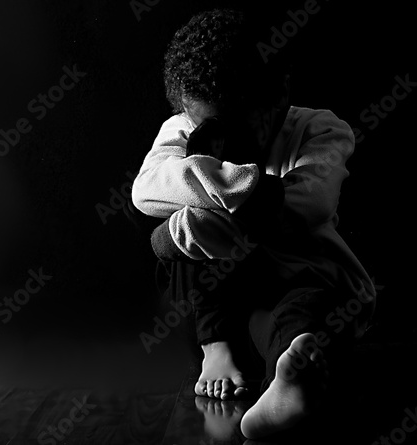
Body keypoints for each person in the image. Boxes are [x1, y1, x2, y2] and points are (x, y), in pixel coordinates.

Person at [130, 8, 376, 439]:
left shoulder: (320, 129)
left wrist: (208, 201)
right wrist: (220, 202)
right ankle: (215, 349)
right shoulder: (181, 129)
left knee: (301, 315)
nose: (225, 142)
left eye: (239, 125)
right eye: (207, 126)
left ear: (278, 96)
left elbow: (309, 203)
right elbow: (147, 189)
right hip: (219, 299)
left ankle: (289, 378)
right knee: (185, 229)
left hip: (294, 279)